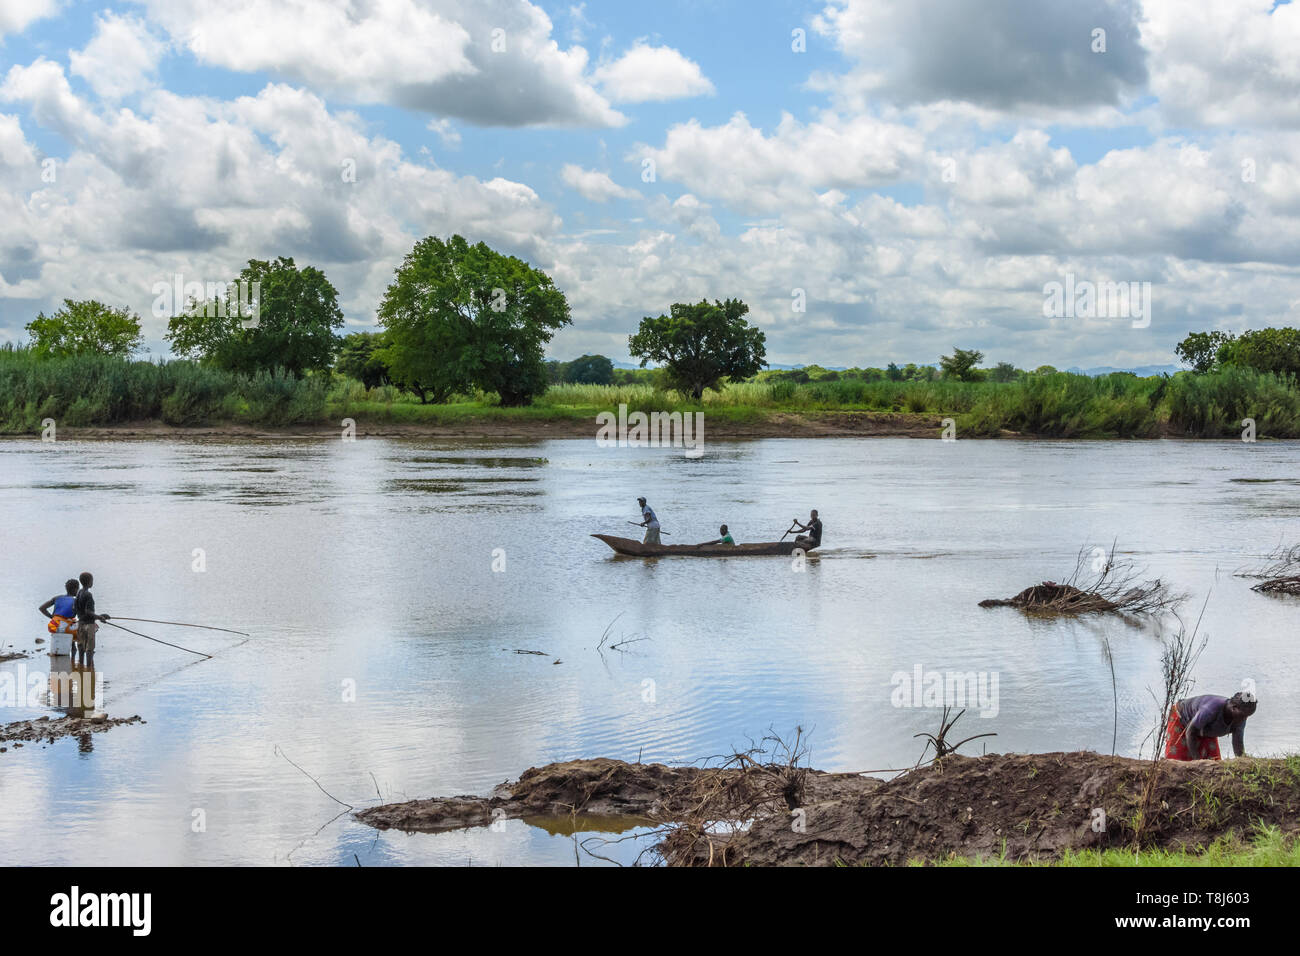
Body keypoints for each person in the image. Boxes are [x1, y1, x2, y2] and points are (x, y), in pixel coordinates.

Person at [1165, 690, 1257, 760]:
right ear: (1234, 708)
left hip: (1205, 729)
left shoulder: (1240, 718)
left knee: (1213, 760)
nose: (1245, 719)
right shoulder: (1212, 708)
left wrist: (1241, 762)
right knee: (1178, 758)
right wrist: (1198, 761)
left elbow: (1238, 744)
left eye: (1248, 716)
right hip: (1182, 718)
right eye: (1243, 715)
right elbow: (1191, 731)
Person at [72, 571, 110, 666]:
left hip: (80, 623)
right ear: (89, 582)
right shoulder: (88, 595)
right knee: (89, 649)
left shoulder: (79, 593)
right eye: (92, 580)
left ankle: (81, 666)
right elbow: (88, 611)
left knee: (81, 647)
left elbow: (75, 609)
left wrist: (100, 616)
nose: (92, 582)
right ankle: (88, 669)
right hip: (89, 625)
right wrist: (99, 617)